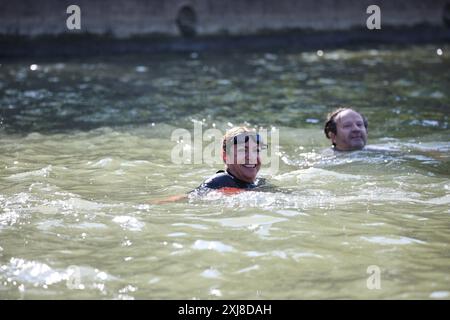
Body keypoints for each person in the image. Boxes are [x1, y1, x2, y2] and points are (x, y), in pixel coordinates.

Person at [192, 126, 266, 195]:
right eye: (243, 150)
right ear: (225, 156)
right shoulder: (220, 182)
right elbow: (187, 197)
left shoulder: (260, 183)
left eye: (256, 150)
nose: (251, 157)